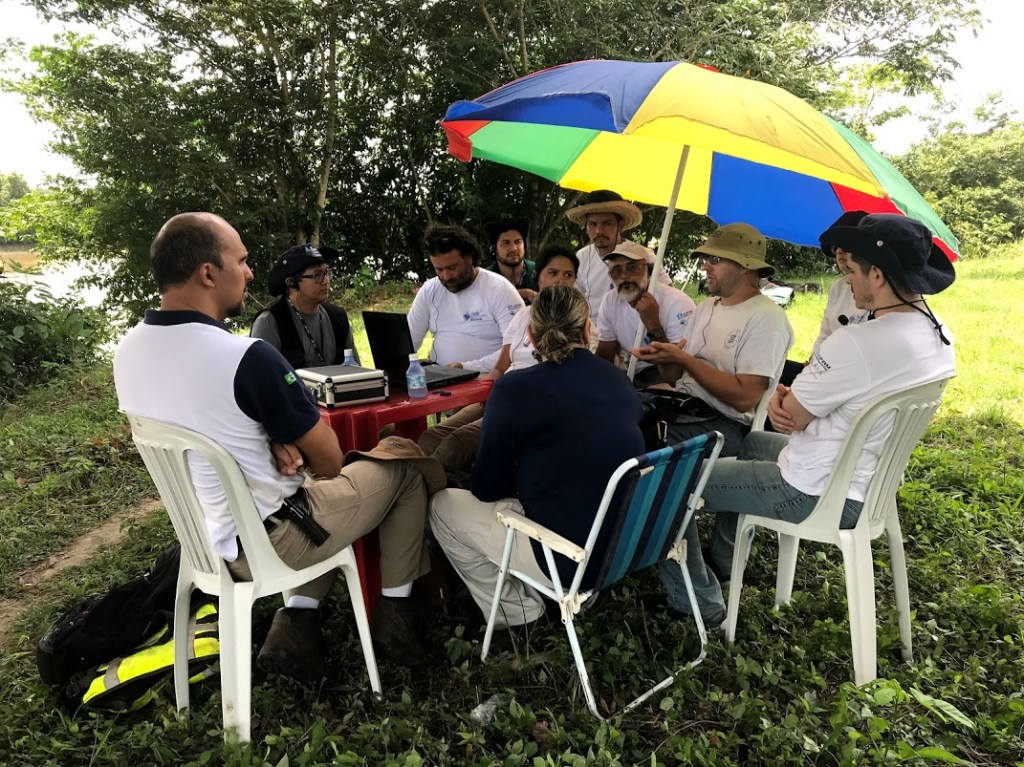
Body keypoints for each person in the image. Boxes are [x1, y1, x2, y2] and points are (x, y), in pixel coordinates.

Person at [114, 212, 445, 683]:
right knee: (405, 466)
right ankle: (397, 617)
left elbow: (205, 420)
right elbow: (329, 462)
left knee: (317, 497)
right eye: (241, 261)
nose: (250, 273)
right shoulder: (244, 356)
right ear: (208, 273)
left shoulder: (128, 351)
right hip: (275, 539)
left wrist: (269, 436)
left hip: (206, 540)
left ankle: (298, 625)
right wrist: (285, 439)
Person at [660, 213, 956, 626]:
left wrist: (786, 397)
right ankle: (725, 558)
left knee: (668, 484)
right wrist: (795, 398)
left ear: (877, 276)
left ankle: (697, 602)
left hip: (812, 489)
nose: (846, 282)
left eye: (851, 272)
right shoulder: (938, 335)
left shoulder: (856, 342)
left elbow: (789, 417)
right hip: (868, 480)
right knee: (750, 442)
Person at [429, 285, 645, 628]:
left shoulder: (514, 389)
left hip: (568, 559)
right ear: (587, 329)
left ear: (529, 335)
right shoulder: (618, 380)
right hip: (625, 548)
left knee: (442, 507)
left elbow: (486, 488)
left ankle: (519, 615)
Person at [417, 244, 587, 472]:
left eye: (568, 275)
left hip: (531, 407)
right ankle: (420, 483)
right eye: (553, 273)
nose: (560, 281)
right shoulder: (523, 316)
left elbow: (571, 380)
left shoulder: (580, 323)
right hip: (502, 396)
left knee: (454, 445)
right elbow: (499, 369)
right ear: (538, 276)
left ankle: (424, 486)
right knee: (431, 436)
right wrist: (474, 381)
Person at [631, 223, 794, 456]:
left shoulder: (767, 317)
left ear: (745, 266)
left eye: (715, 259)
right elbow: (673, 376)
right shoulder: (706, 307)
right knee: (611, 411)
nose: (705, 265)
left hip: (725, 426)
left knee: (631, 435)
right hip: (684, 407)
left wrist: (685, 360)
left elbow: (744, 399)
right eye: (706, 258)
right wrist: (663, 354)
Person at [408, 223, 525, 372]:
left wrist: (467, 367)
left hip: (488, 378)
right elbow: (409, 342)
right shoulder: (429, 290)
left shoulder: (500, 290)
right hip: (441, 376)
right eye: (439, 269)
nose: (446, 276)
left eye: (452, 268)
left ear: (469, 259)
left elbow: (518, 347)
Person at [596, 240, 696, 388]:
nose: (624, 276)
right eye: (616, 270)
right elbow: (605, 358)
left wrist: (653, 324)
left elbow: (674, 374)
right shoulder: (610, 301)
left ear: (648, 271)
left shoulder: (678, 303)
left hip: (671, 379)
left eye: (632, 267)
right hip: (631, 373)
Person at [565, 189, 672, 322]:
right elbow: (573, 299)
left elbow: (670, 295)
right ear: (586, 227)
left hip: (635, 330)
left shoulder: (643, 256)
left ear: (620, 226)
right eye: (593, 224)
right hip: (593, 331)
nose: (599, 231)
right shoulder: (582, 258)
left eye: (607, 224)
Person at [250, 244, 359, 369]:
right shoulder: (269, 323)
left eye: (326, 273)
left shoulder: (338, 318)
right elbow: (263, 376)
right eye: (317, 275)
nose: (326, 281)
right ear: (291, 283)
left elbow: (357, 372)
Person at [485, 217, 538, 304]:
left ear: (525, 246)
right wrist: (524, 294)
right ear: (494, 249)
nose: (513, 248)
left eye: (518, 242)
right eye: (505, 243)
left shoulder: (540, 271)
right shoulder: (485, 279)